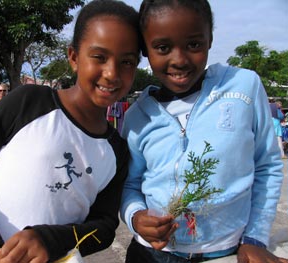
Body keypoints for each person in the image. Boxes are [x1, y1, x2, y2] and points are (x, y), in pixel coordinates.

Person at [0, 0, 141, 262]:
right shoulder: (28, 101)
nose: (111, 73)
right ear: (73, 57)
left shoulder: (117, 150)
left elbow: (104, 227)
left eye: (127, 62)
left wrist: (50, 241)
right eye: (99, 57)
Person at [120, 0, 287, 263]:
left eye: (194, 44)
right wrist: (136, 216)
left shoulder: (243, 87)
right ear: (145, 49)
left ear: (210, 39)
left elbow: (267, 165)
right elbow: (130, 184)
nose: (179, 59)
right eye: (163, 47)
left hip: (226, 253)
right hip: (150, 254)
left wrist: (254, 239)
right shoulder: (136, 117)